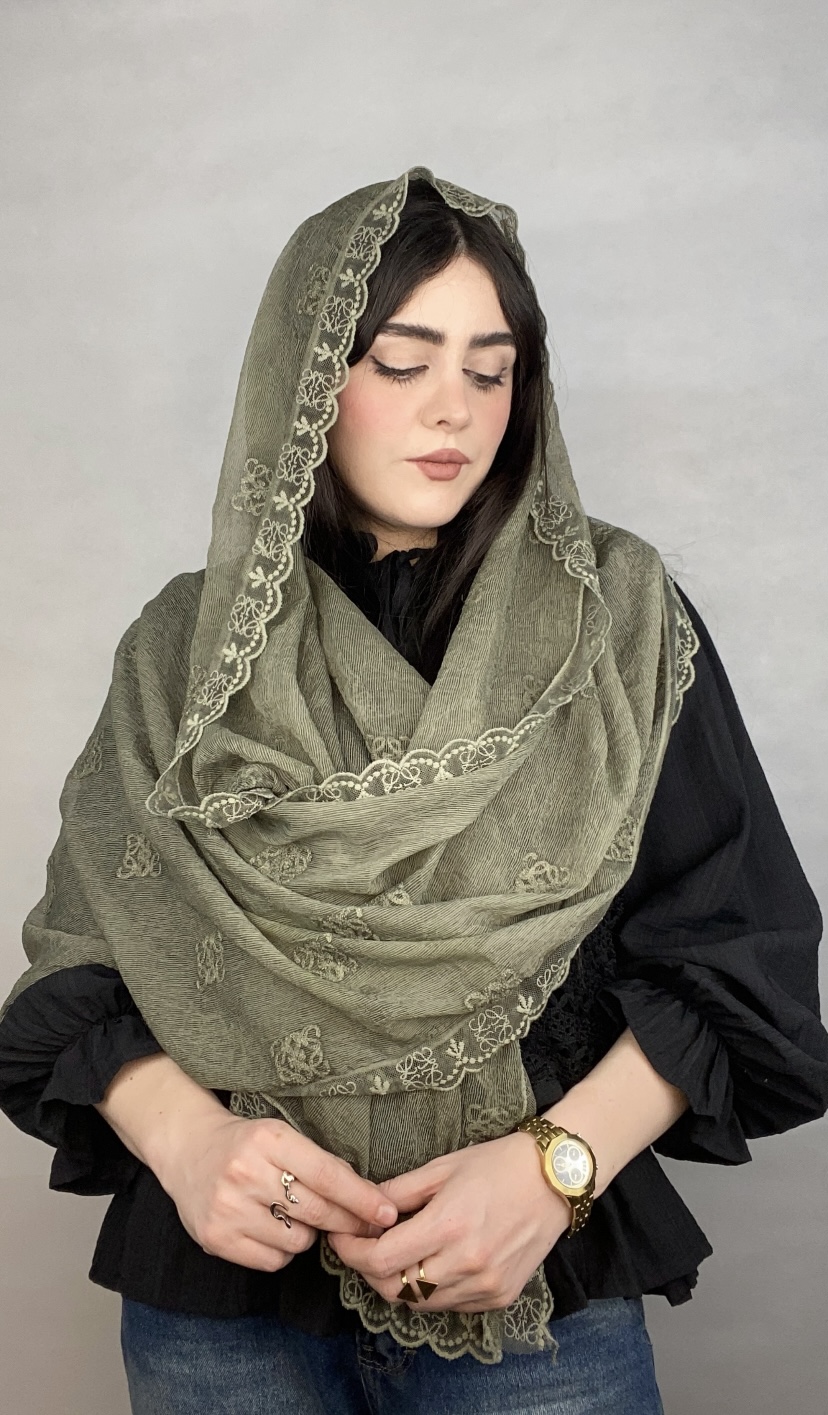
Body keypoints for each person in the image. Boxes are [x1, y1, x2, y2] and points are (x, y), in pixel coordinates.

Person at [1, 168, 827, 1415]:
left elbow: (739, 950)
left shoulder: (619, 625)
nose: (456, 408)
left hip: (531, 1291)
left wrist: (555, 1165)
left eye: (492, 372)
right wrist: (188, 1138)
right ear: (306, 376)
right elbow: (81, 963)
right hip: (225, 1308)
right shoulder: (183, 651)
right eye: (401, 362)